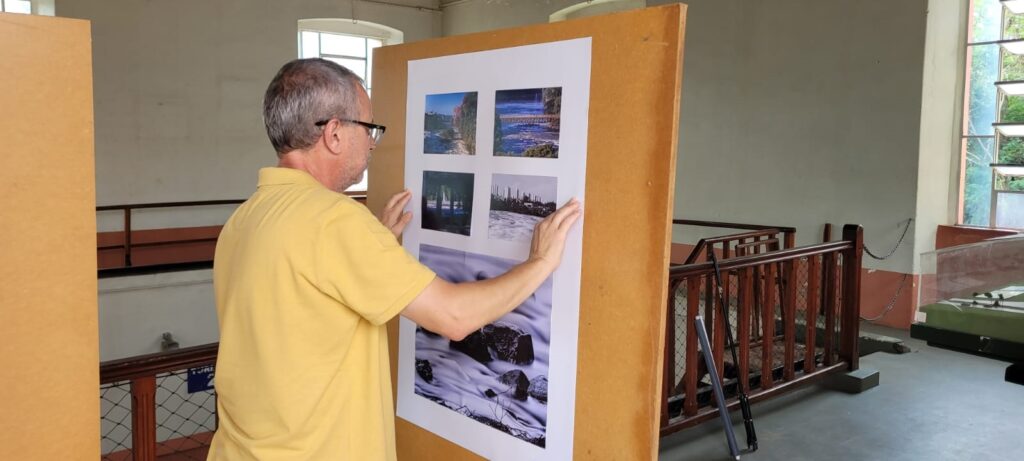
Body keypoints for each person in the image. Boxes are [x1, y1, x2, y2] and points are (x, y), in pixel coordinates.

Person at [207, 58, 581, 460]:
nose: (372, 142)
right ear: (334, 133)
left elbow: (299, 313)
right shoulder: (333, 220)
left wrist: (377, 247)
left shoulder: (245, 218)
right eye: (368, 128)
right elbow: (454, 318)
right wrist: (539, 262)